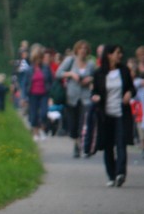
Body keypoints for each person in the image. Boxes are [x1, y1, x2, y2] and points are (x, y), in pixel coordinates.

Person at [91, 44, 135, 188]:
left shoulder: (124, 71)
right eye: (117, 53)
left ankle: (120, 173)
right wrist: (95, 97)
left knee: (121, 143)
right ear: (109, 55)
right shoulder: (99, 73)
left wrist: (129, 93)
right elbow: (95, 91)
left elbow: (131, 87)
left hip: (121, 113)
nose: (120, 55)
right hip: (105, 114)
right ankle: (111, 175)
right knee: (108, 145)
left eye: (121, 53)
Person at [56, 40, 96, 158]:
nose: (83, 50)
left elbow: (96, 76)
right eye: (81, 48)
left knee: (85, 121)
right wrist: (71, 74)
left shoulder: (91, 64)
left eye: (85, 48)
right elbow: (58, 73)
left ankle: (85, 146)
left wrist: (90, 79)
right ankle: (76, 143)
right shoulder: (70, 61)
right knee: (73, 122)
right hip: (72, 96)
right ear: (77, 50)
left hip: (86, 96)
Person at [20, 44, 53, 141]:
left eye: (40, 58)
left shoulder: (46, 68)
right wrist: (23, 97)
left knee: (43, 113)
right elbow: (25, 84)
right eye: (36, 58)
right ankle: (35, 133)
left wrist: (51, 95)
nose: (38, 60)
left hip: (44, 94)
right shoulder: (29, 70)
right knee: (33, 115)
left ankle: (42, 130)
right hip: (33, 95)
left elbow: (51, 81)